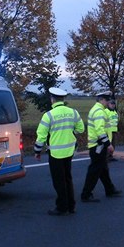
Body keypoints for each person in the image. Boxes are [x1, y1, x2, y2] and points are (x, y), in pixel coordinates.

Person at [34, 87, 85, 216]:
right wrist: (71, 132)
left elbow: (41, 136)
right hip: (69, 151)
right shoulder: (73, 113)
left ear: (52, 99)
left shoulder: (48, 115)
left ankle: (62, 207)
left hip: (55, 153)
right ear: (63, 99)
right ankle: (71, 205)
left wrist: (37, 151)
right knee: (68, 178)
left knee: (59, 181)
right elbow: (81, 129)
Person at [81, 91, 122, 202]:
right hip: (98, 146)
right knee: (94, 170)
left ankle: (110, 189)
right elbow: (100, 130)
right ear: (102, 100)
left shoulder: (98, 110)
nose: (108, 102)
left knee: (103, 169)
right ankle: (86, 194)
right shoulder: (99, 112)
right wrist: (108, 144)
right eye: (107, 100)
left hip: (98, 145)